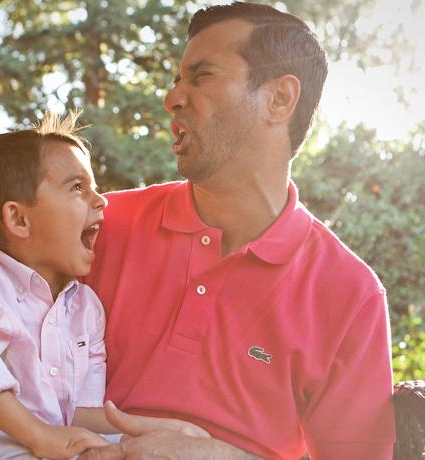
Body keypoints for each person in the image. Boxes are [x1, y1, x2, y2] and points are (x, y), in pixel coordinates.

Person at [82, 2, 395, 459]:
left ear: (279, 99)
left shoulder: (351, 294)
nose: (172, 98)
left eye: (201, 76)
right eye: (176, 80)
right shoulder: (99, 224)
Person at [0, 111, 210, 460]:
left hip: (38, 440)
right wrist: (38, 435)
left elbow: (73, 412)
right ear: (19, 219)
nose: (101, 200)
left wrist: (146, 428)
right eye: (78, 187)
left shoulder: (85, 308)